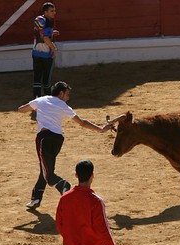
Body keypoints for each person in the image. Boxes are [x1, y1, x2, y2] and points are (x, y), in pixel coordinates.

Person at [18, 81, 113, 210]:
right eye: (67, 95)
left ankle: (63, 185)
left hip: (44, 139)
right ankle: (36, 198)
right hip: (57, 140)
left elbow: (21, 109)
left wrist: (33, 107)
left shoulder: (41, 100)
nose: (68, 97)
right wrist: (101, 129)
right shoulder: (63, 106)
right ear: (61, 93)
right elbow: (82, 122)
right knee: (46, 168)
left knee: (49, 174)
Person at [32, 2, 59, 98]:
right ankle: (48, 98)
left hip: (36, 53)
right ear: (46, 12)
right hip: (46, 54)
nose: (54, 13)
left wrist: (51, 32)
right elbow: (46, 38)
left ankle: (36, 98)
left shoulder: (39, 20)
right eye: (52, 11)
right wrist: (53, 48)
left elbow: (41, 32)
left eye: (54, 10)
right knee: (47, 78)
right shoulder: (48, 22)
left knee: (37, 77)